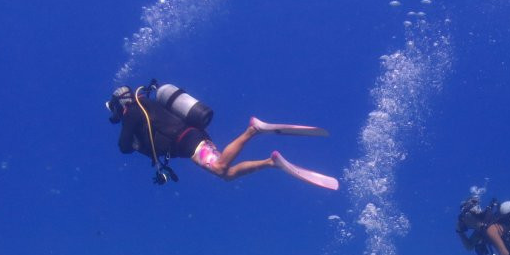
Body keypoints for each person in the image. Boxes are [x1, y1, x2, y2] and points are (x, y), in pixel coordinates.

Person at [106, 81, 338, 190]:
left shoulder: (132, 112)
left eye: (114, 108)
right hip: (191, 137)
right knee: (225, 174)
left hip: (186, 140)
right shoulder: (146, 104)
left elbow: (123, 146)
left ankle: (252, 130)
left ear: (120, 103)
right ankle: (271, 162)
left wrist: (135, 142)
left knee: (219, 168)